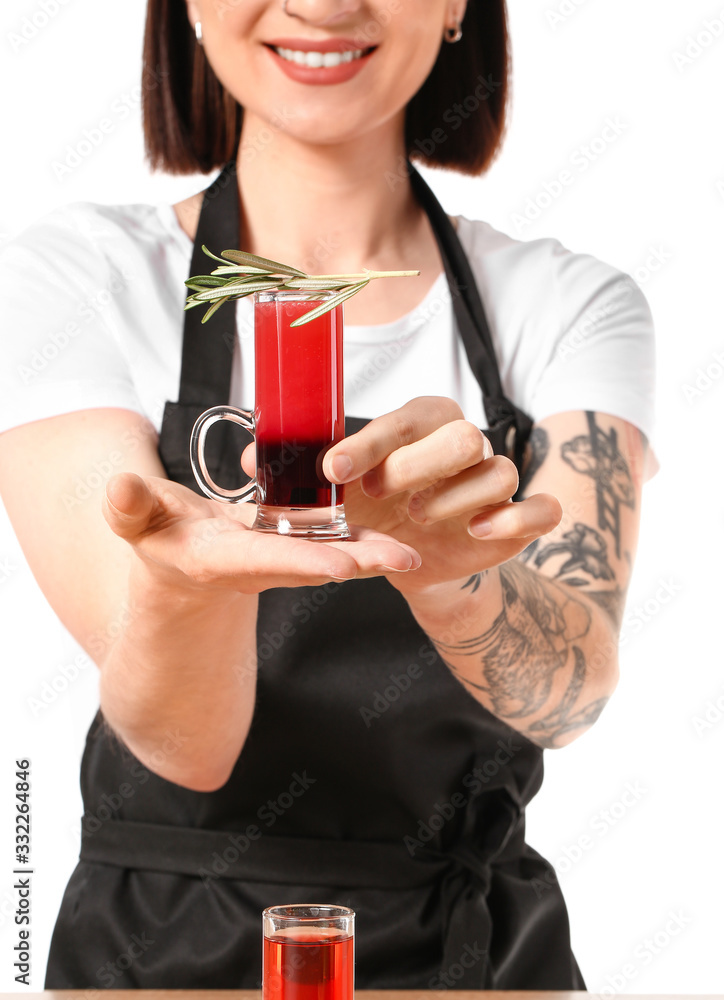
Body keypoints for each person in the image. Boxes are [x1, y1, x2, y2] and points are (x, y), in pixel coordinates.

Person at [0, 0, 657, 990]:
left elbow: (568, 695)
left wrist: (450, 582)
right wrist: (189, 591)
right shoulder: (69, 279)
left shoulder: (569, 306)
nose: (323, 3)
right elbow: (182, 743)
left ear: (453, 8)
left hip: (470, 951)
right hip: (158, 952)